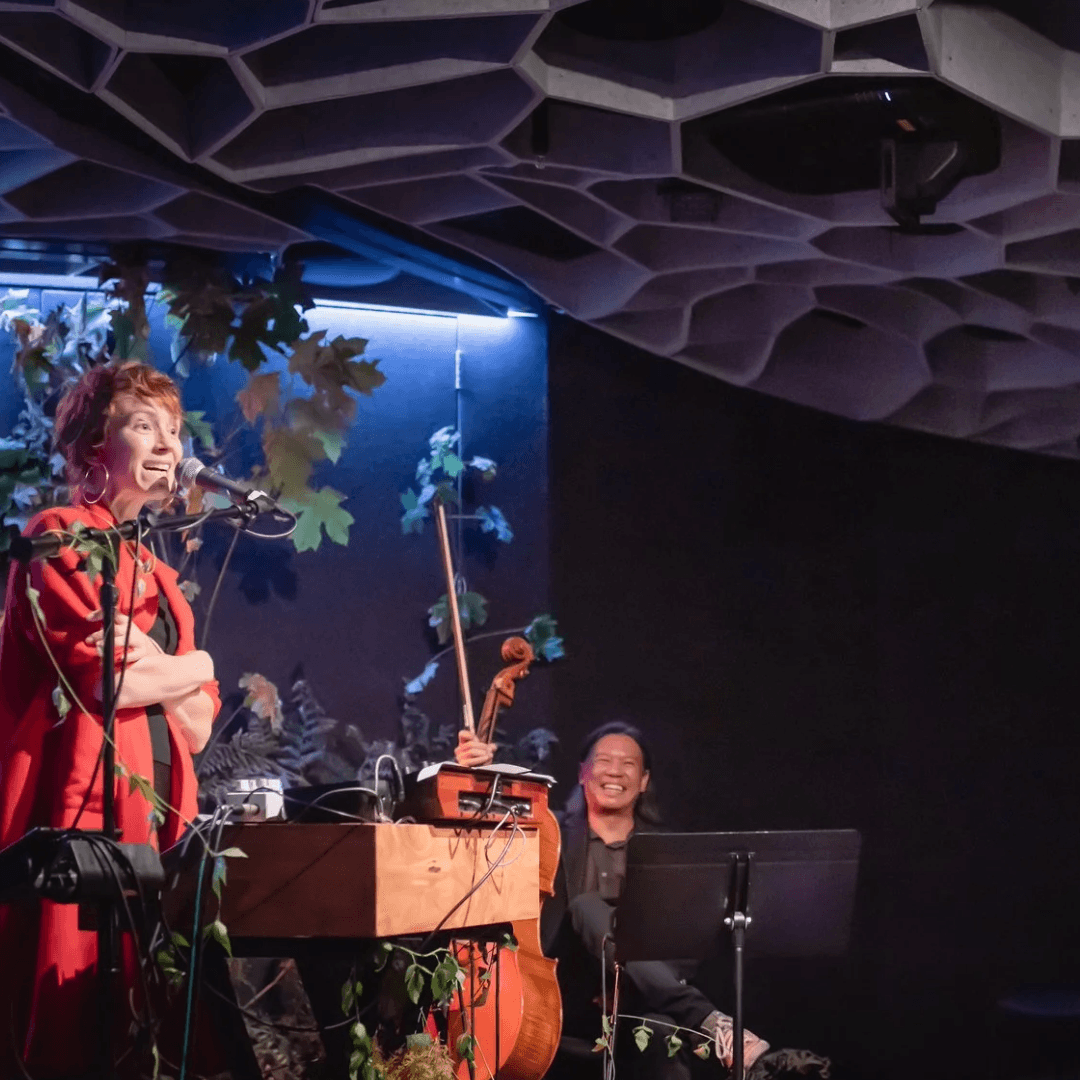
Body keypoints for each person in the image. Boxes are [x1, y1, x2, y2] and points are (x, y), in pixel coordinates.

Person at [0, 361, 221, 1079]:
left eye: (175, 431)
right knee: (72, 1009)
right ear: (95, 445)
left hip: (160, 819)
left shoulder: (160, 579)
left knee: (146, 1013)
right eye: (143, 425)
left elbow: (196, 728)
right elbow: (109, 681)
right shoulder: (59, 535)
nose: (167, 445)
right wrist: (193, 669)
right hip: (82, 810)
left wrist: (188, 664)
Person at [454, 721, 769, 1079]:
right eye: (604, 761)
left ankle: (704, 1023)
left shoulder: (667, 851)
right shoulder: (547, 833)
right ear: (582, 773)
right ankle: (711, 1021)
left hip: (640, 1001)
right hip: (561, 995)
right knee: (587, 906)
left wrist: (628, 987)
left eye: (628, 764)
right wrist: (479, 776)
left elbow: (684, 947)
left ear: (644, 781)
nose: (615, 771)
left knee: (662, 1037)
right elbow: (485, 830)